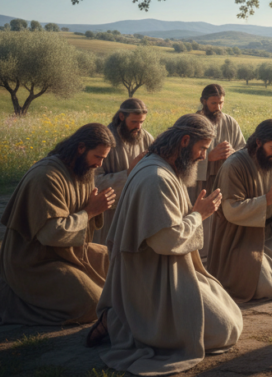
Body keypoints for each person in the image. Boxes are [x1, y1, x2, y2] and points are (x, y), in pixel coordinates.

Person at [93, 114, 242, 375]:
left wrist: (194, 214)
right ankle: (122, 321)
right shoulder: (156, 178)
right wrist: (199, 215)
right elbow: (165, 240)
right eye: (201, 149)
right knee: (224, 329)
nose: (203, 157)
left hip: (161, 267)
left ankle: (120, 317)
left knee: (227, 313)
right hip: (152, 278)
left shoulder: (160, 165)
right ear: (185, 141)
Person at [0, 124, 114, 326]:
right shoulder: (46, 176)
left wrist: (93, 208)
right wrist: (90, 211)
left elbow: (83, 218)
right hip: (35, 261)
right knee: (93, 304)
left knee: (116, 262)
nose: (100, 164)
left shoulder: (83, 170)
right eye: (98, 157)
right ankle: (5, 294)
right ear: (81, 148)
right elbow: (51, 234)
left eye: (103, 159)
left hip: (69, 252)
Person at [207, 119, 272, 302]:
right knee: (261, 281)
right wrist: (268, 199)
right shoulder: (235, 165)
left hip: (271, 235)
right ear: (258, 142)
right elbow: (231, 209)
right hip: (240, 237)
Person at [194, 84, 245, 262]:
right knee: (202, 221)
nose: (218, 107)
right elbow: (182, 154)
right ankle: (200, 257)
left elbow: (242, 149)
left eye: (221, 103)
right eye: (214, 103)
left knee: (222, 219)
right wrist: (208, 157)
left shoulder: (230, 122)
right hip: (199, 183)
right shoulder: (192, 122)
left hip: (224, 182)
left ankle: (219, 257)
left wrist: (233, 154)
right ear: (203, 101)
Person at [93, 98, 154, 245]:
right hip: (109, 213)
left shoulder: (146, 138)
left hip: (136, 210)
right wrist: (128, 173)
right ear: (121, 117)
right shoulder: (102, 139)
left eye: (141, 122)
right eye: (134, 122)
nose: (138, 127)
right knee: (106, 256)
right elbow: (94, 182)